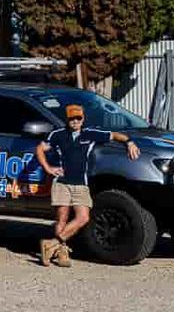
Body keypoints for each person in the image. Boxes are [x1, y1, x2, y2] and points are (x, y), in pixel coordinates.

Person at [33, 104, 139, 267]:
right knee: (62, 217)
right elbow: (40, 149)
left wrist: (130, 142)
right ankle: (61, 252)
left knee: (83, 217)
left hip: (81, 184)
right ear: (67, 119)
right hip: (62, 182)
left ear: (83, 119)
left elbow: (116, 135)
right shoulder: (57, 135)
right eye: (71, 118)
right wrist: (48, 168)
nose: (75, 121)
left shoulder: (91, 134)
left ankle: (51, 243)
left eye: (78, 118)